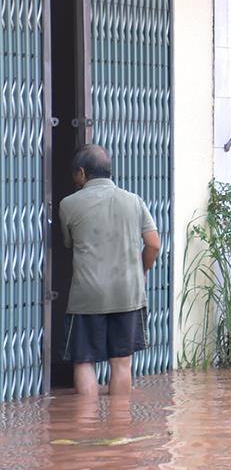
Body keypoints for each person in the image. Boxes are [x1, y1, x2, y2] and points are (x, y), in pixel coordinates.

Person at [59, 144, 161, 397]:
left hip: (87, 296)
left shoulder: (68, 204)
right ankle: (119, 428)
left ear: (81, 173)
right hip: (127, 293)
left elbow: (67, 243)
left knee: (84, 361)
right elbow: (154, 244)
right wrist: (142, 270)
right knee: (122, 362)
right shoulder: (134, 201)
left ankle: (87, 428)